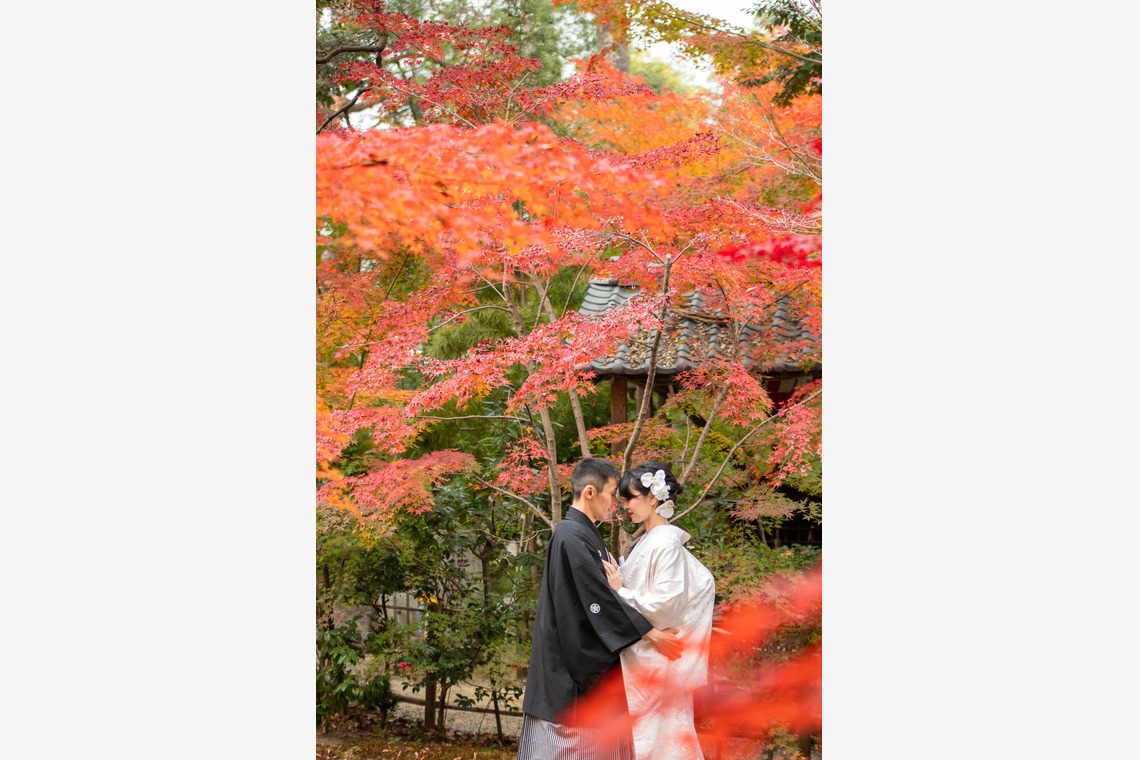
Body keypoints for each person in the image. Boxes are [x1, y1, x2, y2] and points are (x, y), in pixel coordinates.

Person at [518, 457, 684, 760]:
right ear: (590, 492)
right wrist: (653, 635)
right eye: (610, 495)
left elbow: (602, 594)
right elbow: (596, 598)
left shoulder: (584, 534)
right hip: (567, 667)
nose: (615, 504)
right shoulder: (569, 535)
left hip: (580, 659)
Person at [601, 462, 716, 760]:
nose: (625, 505)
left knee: (657, 743)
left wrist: (620, 590)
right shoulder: (653, 540)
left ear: (653, 498)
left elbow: (665, 606)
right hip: (650, 657)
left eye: (631, 498)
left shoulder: (664, 543)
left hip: (657, 658)